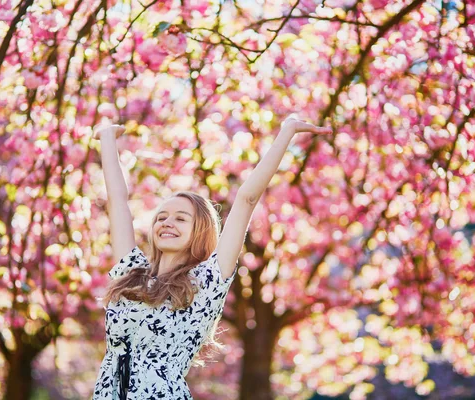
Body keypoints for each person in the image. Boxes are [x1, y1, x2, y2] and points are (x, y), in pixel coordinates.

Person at [91, 116, 332, 399]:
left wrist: (287, 132)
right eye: (162, 217)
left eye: (181, 219)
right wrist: (107, 139)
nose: (167, 223)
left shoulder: (207, 280)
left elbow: (246, 199)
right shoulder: (131, 274)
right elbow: (117, 200)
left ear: (200, 230)